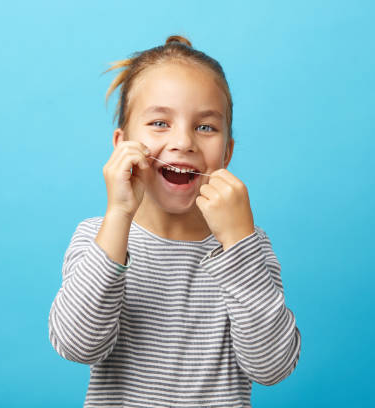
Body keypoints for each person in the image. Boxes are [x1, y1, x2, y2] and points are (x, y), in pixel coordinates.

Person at [48, 34, 301, 407]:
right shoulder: (98, 238)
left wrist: (239, 243)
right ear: (122, 145)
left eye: (205, 127)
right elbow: (77, 345)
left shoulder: (247, 245)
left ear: (227, 152)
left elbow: (272, 368)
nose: (183, 142)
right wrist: (118, 215)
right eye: (160, 123)